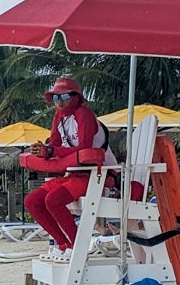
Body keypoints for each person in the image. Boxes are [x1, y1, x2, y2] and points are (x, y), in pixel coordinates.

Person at [20, 76, 112, 259]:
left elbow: (85, 148)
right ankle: (62, 243)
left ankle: (76, 244)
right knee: (32, 201)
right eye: (55, 97)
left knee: (53, 200)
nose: (59, 102)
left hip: (98, 175)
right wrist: (42, 151)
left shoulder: (84, 114)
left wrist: (52, 150)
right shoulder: (59, 117)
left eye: (64, 96)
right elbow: (54, 145)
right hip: (74, 174)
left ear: (76, 97)